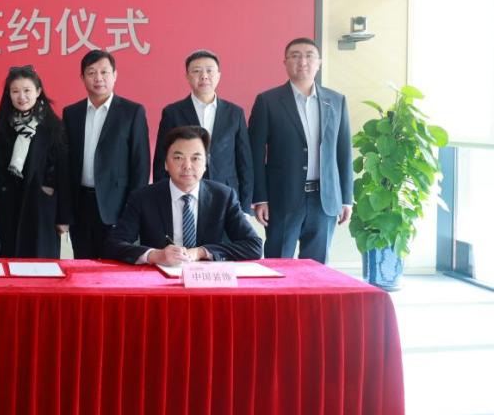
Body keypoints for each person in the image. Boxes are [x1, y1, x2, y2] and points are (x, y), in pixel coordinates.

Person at [248, 37, 353, 263]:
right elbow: (255, 154)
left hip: (324, 200)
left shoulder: (337, 101)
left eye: (309, 56)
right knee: (279, 264)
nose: (302, 61)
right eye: (295, 56)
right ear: (285, 63)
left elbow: (343, 153)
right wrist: (260, 198)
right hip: (282, 198)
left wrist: (346, 199)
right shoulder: (268, 101)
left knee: (317, 268)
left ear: (319, 63)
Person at [104, 126, 262, 265]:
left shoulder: (223, 196)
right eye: (178, 158)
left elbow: (254, 245)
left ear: (205, 163)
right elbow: (114, 245)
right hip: (159, 277)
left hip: (206, 279)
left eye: (195, 158)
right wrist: (156, 255)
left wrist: (201, 252)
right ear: (166, 163)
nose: (187, 166)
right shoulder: (143, 198)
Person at [61, 50, 150, 259]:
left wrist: (133, 210)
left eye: (104, 72)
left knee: (117, 265)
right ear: (82, 77)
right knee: (83, 263)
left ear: (115, 75)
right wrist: (65, 212)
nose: (98, 78)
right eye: (91, 72)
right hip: (80, 205)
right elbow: (65, 165)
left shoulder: (132, 112)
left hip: (116, 206)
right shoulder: (71, 113)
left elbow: (140, 165)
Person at [152, 49, 254, 212]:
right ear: (187, 77)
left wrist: (246, 208)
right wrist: (161, 202)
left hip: (227, 193)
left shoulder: (235, 113)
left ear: (218, 76)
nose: (204, 76)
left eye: (209, 70)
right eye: (197, 71)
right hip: (184, 192)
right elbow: (161, 159)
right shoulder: (172, 112)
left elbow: (245, 162)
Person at [0, 65, 68, 259]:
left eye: (27, 90)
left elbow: (63, 172)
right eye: (15, 91)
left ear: (38, 91)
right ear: (9, 94)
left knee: (40, 267)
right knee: (5, 263)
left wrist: (63, 217)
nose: (22, 97)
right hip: (6, 208)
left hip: (41, 208)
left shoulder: (54, 127)